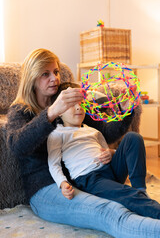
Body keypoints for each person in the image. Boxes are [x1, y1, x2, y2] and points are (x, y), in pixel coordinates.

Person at [6, 48, 160, 238]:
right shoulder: (22, 110)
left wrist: (125, 110)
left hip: (88, 178)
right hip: (47, 190)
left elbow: (105, 132)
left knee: (126, 198)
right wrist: (52, 112)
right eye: (45, 74)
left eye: (55, 72)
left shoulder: (70, 101)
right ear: (31, 79)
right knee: (111, 211)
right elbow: (17, 146)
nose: (54, 78)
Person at [47, 87, 160, 219]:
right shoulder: (57, 134)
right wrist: (62, 183)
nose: (78, 108)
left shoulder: (92, 130)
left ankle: (140, 189)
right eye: (72, 105)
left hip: (110, 171)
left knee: (133, 137)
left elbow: (106, 151)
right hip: (89, 178)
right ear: (59, 111)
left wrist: (111, 153)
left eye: (81, 104)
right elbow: (53, 164)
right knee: (128, 194)